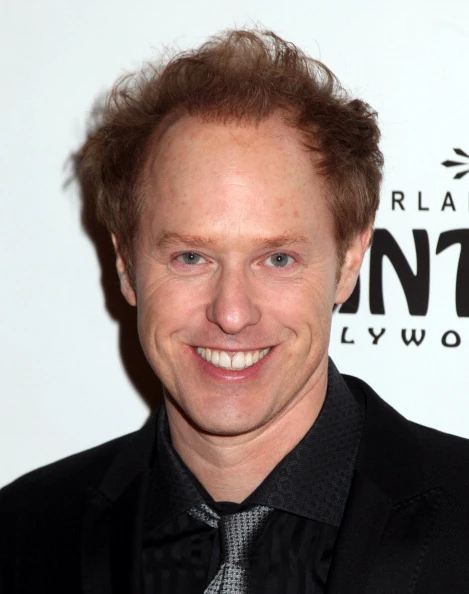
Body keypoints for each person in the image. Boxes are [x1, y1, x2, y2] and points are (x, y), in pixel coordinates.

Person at [1, 29, 469, 594]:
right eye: (191, 257)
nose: (231, 313)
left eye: (277, 259)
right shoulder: (23, 534)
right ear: (125, 265)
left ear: (349, 262)